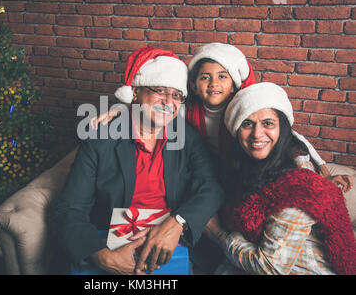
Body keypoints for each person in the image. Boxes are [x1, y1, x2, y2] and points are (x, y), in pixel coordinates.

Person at [51, 47, 224, 275]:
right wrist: (104, 258)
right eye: (159, 91)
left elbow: (211, 188)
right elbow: (69, 208)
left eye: (176, 95)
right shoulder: (101, 138)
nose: (168, 102)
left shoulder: (187, 137)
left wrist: (176, 224)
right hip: (110, 244)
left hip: (169, 248)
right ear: (135, 93)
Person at [92, 43, 352, 192]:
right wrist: (120, 109)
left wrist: (324, 174)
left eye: (222, 77)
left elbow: (294, 140)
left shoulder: (246, 110)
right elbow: (156, 110)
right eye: (205, 77)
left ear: (234, 85)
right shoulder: (184, 108)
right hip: (201, 173)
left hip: (237, 173)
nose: (214, 83)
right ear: (193, 86)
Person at [204, 82, 356, 275]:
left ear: (282, 129)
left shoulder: (298, 185)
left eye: (268, 123)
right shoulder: (246, 168)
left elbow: (270, 267)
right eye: (247, 124)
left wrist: (217, 233)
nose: (257, 134)